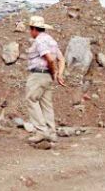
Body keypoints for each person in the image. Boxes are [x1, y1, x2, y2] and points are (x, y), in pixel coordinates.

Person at [25, 15, 66, 144]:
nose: (30, 32)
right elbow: (61, 59)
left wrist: (54, 71)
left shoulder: (39, 41)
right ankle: (51, 133)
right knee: (46, 104)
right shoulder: (51, 40)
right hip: (47, 77)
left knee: (31, 99)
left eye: (30, 29)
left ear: (34, 29)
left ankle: (41, 131)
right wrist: (59, 74)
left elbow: (50, 59)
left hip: (38, 75)